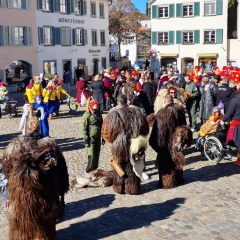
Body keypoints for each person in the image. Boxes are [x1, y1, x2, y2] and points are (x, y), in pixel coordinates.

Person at [82, 97, 103, 175]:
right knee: (91, 156)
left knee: (97, 154)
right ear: (91, 105)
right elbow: (84, 128)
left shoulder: (98, 113)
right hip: (91, 139)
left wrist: (103, 137)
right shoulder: (86, 115)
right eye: (95, 105)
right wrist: (86, 139)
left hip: (98, 137)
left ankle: (94, 171)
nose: (97, 106)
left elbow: (102, 124)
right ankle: (88, 172)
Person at [220, 91, 240, 164]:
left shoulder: (235, 100)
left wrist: (223, 120)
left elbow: (229, 112)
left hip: (237, 124)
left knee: (237, 141)